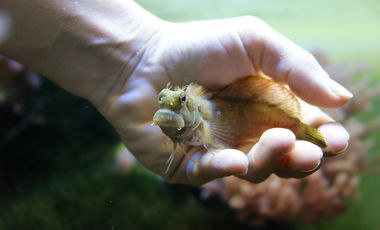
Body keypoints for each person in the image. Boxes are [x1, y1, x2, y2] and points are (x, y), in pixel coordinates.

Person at [0, 0, 351, 185]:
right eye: (164, 104)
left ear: (192, 107)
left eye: (179, 103)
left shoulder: (207, 118)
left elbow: (214, 134)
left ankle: (299, 128)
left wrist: (134, 59)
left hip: (269, 118)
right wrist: (128, 65)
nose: (167, 110)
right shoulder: (181, 121)